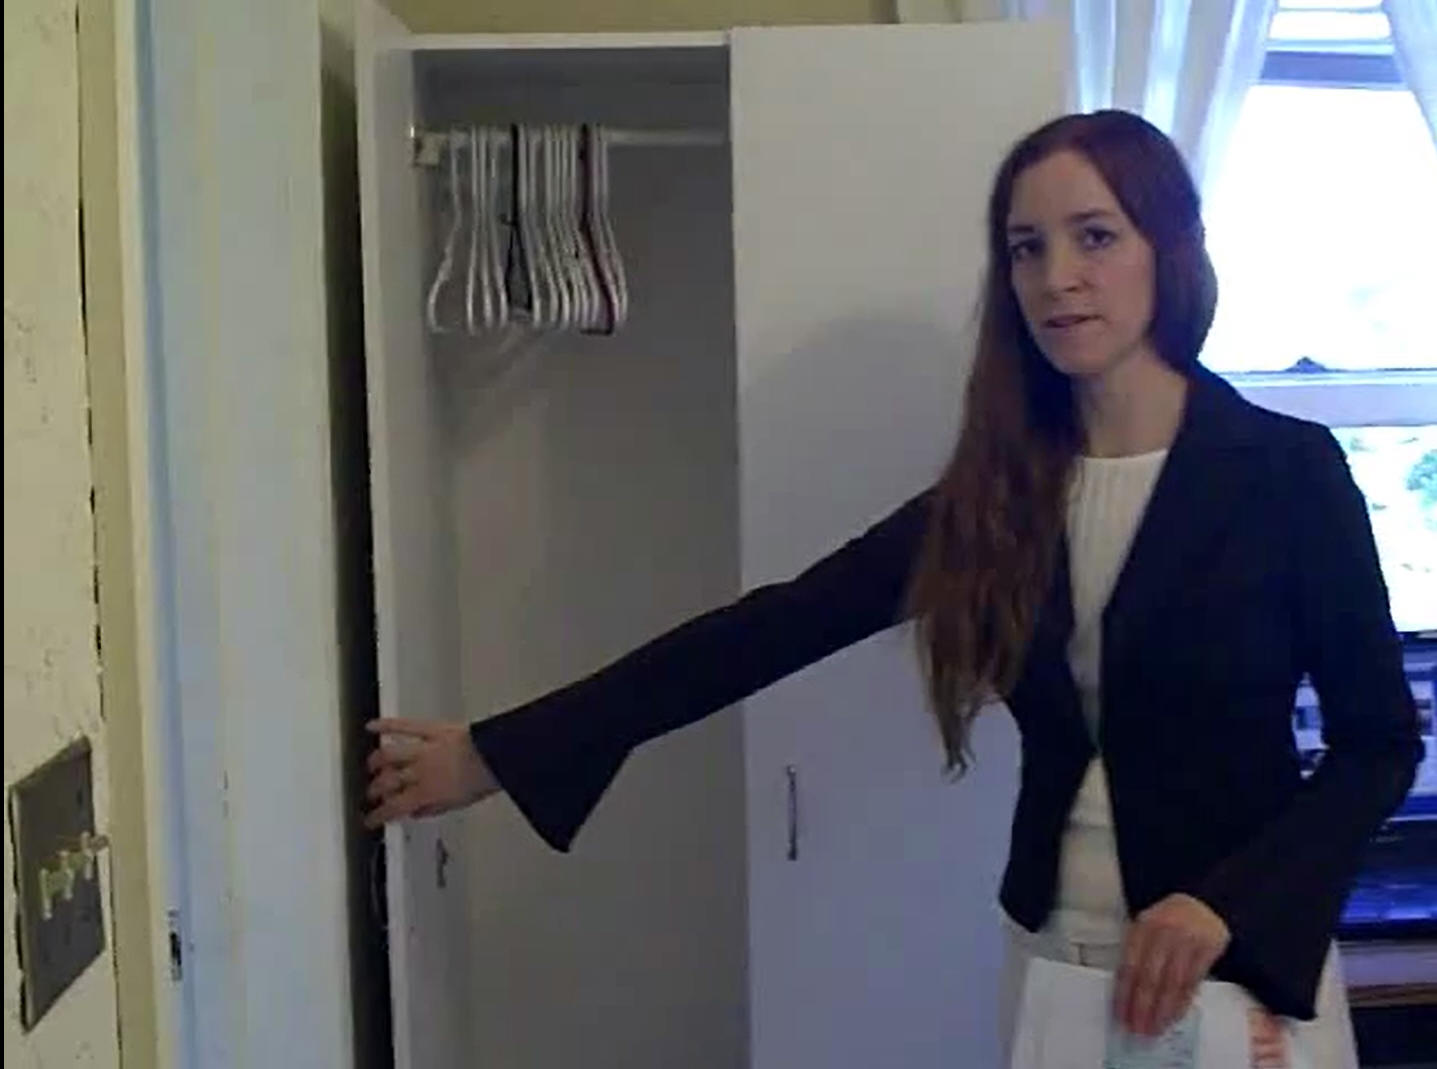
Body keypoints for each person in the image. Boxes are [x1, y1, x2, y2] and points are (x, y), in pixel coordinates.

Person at [364, 110, 1420, 1065]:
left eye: (1095, 236)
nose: (1057, 276)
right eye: (1027, 247)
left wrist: (1224, 905)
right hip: (1051, 956)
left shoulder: (1286, 473)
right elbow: (769, 629)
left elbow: (1377, 743)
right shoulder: (999, 496)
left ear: (1168, 249)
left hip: (1232, 958)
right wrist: (500, 752)